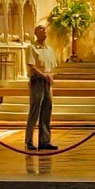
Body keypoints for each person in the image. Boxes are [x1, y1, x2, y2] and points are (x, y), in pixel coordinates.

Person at [25, 23, 57, 152]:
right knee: (35, 111)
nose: (44, 31)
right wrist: (44, 76)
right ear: (35, 33)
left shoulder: (49, 49)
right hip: (37, 81)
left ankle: (45, 140)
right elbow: (32, 66)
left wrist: (50, 76)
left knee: (46, 111)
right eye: (40, 29)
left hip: (47, 82)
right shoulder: (32, 48)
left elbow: (53, 66)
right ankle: (29, 141)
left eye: (45, 29)